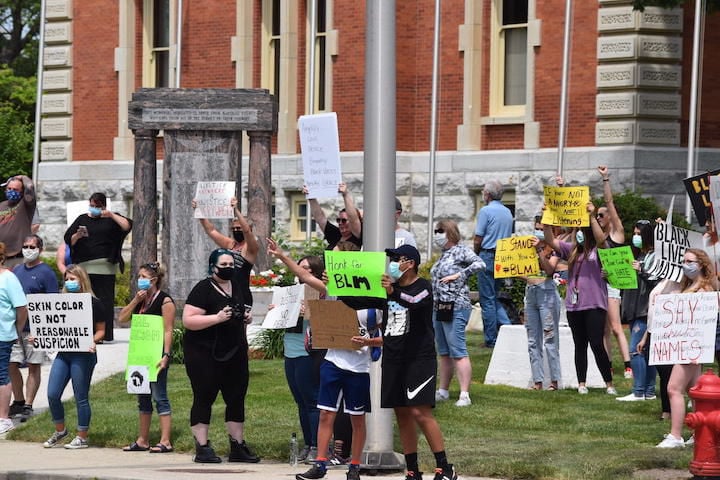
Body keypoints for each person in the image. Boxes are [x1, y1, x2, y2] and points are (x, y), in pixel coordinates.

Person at [292, 241, 382, 480]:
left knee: (357, 417)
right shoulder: (332, 289)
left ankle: (354, 465)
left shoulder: (374, 298)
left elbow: (390, 335)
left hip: (359, 364)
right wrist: (280, 254)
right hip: (333, 359)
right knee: (326, 413)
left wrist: (369, 342)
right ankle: (320, 463)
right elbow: (304, 275)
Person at [381, 244, 458, 480]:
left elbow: (413, 301)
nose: (393, 263)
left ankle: (445, 467)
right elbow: (361, 302)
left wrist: (392, 292)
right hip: (393, 358)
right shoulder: (386, 289)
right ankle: (412, 470)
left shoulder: (423, 287)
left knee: (419, 411)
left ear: (410, 263)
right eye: (391, 259)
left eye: (397, 259)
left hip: (418, 359)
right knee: (402, 414)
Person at [182, 249, 259, 463]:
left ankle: (237, 446)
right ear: (212, 267)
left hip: (234, 351)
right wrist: (216, 318)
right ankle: (203, 447)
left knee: (236, 398)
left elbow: (242, 308)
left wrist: (246, 317)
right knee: (204, 397)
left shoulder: (238, 285)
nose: (227, 269)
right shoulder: (203, 289)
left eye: (230, 265)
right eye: (222, 265)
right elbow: (188, 320)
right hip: (204, 353)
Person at [543, 200, 617, 395]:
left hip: (594, 304)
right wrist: (547, 219)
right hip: (574, 306)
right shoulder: (572, 250)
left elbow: (602, 239)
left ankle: (608, 383)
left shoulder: (599, 249)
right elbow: (551, 241)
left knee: (596, 343)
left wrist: (592, 217)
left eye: (582, 230)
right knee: (580, 345)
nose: (578, 233)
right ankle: (581, 383)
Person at [267, 239, 324, 463]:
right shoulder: (291, 291)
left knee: (312, 400)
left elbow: (322, 319)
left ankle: (319, 446)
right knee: (300, 401)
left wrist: (307, 312)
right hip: (291, 351)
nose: (302, 271)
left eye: (308, 269)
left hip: (307, 351)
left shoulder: (318, 291)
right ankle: (308, 443)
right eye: (300, 266)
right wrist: (276, 311)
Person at [656, 248, 718, 448]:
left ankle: (675, 436)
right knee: (693, 391)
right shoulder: (691, 286)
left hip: (691, 348)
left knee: (673, 388)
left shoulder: (704, 290)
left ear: (701, 264)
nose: (685, 264)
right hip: (689, 347)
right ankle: (697, 432)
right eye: (683, 260)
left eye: (689, 261)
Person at [43, 264, 106, 448]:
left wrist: (92, 341)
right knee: (53, 394)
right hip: (64, 353)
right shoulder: (61, 302)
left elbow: (101, 331)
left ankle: (82, 436)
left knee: (81, 396)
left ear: (82, 280)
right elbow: (52, 327)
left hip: (83, 356)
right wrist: (39, 337)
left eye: (73, 279)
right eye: (67, 279)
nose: (69, 282)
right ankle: (61, 430)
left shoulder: (94, 303)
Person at [118, 262, 175, 453]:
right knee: (143, 397)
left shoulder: (165, 301)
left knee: (160, 397)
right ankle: (143, 440)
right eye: (139, 277)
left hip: (156, 355)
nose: (140, 280)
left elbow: (168, 330)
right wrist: (135, 300)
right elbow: (122, 318)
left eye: (143, 277)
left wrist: (166, 354)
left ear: (154, 280)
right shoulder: (140, 301)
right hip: (140, 355)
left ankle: (165, 440)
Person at [64, 192, 132, 342]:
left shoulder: (111, 219)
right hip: (85, 266)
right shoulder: (82, 218)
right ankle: (86, 332)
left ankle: (104, 333)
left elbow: (127, 225)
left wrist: (111, 215)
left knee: (105, 300)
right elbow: (68, 239)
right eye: (92, 205)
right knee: (86, 300)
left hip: (105, 267)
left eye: (97, 206)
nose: (94, 209)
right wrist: (78, 236)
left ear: (103, 206)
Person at [430, 220, 484, 406]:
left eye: (440, 231)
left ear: (450, 233)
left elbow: (480, 264)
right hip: (439, 307)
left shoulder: (461, 250)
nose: (436, 234)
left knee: (458, 351)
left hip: (457, 305)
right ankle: (443, 390)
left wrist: (459, 275)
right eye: (436, 231)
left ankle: (464, 394)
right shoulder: (443, 255)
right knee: (444, 352)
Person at [8, 235, 59, 422]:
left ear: (40, 250)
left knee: (33, 366)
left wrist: (44, 330)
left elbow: (53, 303)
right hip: (15, 327)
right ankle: (19, 400)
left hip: (35, 329)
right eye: (25, 246)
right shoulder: (17, 270)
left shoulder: (47, 272)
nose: (28, 249)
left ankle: (29, 404)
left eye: (32, 246)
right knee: (10, 364)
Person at [595, 166, 631, 378]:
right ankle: (607, 364)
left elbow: (609, 203)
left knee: (616, 327)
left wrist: (605, 179)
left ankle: (628, 365)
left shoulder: (617, 234)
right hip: (599, 285)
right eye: (597, 215)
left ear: (609, 217)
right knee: (604, 331)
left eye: (601, 215)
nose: (598, 217)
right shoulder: (597, 236)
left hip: (613, 285)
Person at [616, 220, 658, 402]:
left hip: (645, 310)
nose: (636, 237)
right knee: (646, 352)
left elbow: (656, 282)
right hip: (633, 309)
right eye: (634, 233)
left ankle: (639, 390)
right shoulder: (639, 256)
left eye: (639, 234)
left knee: (636, 349)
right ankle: (648, 391)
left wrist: (641, 271)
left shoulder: (656, 257)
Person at [192, 196, 258, 308]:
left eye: (239, 228)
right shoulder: (231, 244)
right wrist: (199, 211)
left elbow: (246, 231)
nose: (236, 231)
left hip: (242, 294)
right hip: (226, 292)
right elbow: (211, 231)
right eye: (234, 229)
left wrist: (235, 210)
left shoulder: (251, 248)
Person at [473, 180, 513, 348]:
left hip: (488, 255)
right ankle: (510, 329)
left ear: (487, 194)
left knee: (487, 299)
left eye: (483, 191)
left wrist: (475, 254)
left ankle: (491, 338)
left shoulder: (485, 211)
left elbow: (478, 238)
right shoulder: (507, 212)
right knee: (493, 297)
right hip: (503, 256)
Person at [524, 217, 562, 391]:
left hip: (547, 293)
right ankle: (537, 381)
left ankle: (554, 380)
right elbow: (521, 270)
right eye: (536, 228)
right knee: (533, 340)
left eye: (541, 228)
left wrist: (540, 249)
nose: (538, 231)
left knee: (550, 337)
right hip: (531, 293)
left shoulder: (554, 249)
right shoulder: (526, 248)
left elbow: (549, 269)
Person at [0, 242, 28, 434]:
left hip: (3, 335)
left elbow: (21, 308)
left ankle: (4, 418)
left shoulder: (9, 278)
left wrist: (17, 329)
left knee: (2, 375)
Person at [305, 182, 362, 250]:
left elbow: (353, 220)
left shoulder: (357, 236)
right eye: (338, 220)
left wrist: (345, 195)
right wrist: (311, 196)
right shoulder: (336, 234)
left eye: (344, 220)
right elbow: (320, 218)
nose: (340, 223)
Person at [0, 175, 37, 268]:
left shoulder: (26, 204)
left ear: (22, 192)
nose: (11, 191)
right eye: (9, 188)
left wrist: (23, 177)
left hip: (19, 258)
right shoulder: (1, 206)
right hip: (2, 256)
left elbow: (30, 187)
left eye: (16, 189)